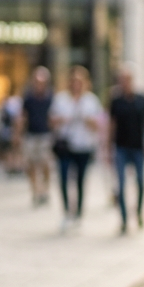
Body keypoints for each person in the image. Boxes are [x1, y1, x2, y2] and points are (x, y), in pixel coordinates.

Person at [51, 66, 103, 231]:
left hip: (83, 145)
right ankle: (67, 212)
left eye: (79, 81)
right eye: (73, 81)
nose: (76, 85)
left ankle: (79, 212)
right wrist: (61, 120)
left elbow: (99, 124)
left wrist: (87, 120)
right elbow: (51, 121)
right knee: (64, 179)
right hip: (65, 145)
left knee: (80, 180)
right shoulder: (61, 100)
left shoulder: (91, 101)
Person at [107, 64, 144, 233]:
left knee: (141, 182)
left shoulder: (142, 99)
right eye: (121, 80)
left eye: (126, 80)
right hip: (121, 147)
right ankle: (124, 219)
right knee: (121, 184)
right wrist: (108, 147)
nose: (124, 83)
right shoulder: (116, 101)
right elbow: (111, 125)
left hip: (138, 147)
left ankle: (139, 211)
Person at [17, 67, 55, 206]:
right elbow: (23, 116)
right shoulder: (28, 97)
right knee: (31, 164)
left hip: (45, 134)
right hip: (30, 134)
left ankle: (45, 189)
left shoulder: (50, 97)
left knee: (45, 163)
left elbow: (53, 116)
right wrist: (18, 134)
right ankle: (35, 191)